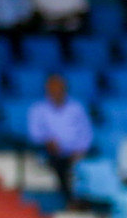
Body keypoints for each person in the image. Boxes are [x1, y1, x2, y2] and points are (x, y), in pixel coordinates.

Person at [28, 74, 93, 210]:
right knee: (61, 164)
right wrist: (47, 140)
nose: (56, 91)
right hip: (51, 151)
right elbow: (35, 134)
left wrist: (81, 150)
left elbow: (86, 132)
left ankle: (92, 201)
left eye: (59, 88)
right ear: (47, 90)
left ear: (65, 89)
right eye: (53, 88)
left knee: (93, 164)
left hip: (77, 152)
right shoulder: (38, 109)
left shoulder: (76, 108)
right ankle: (71, 200)